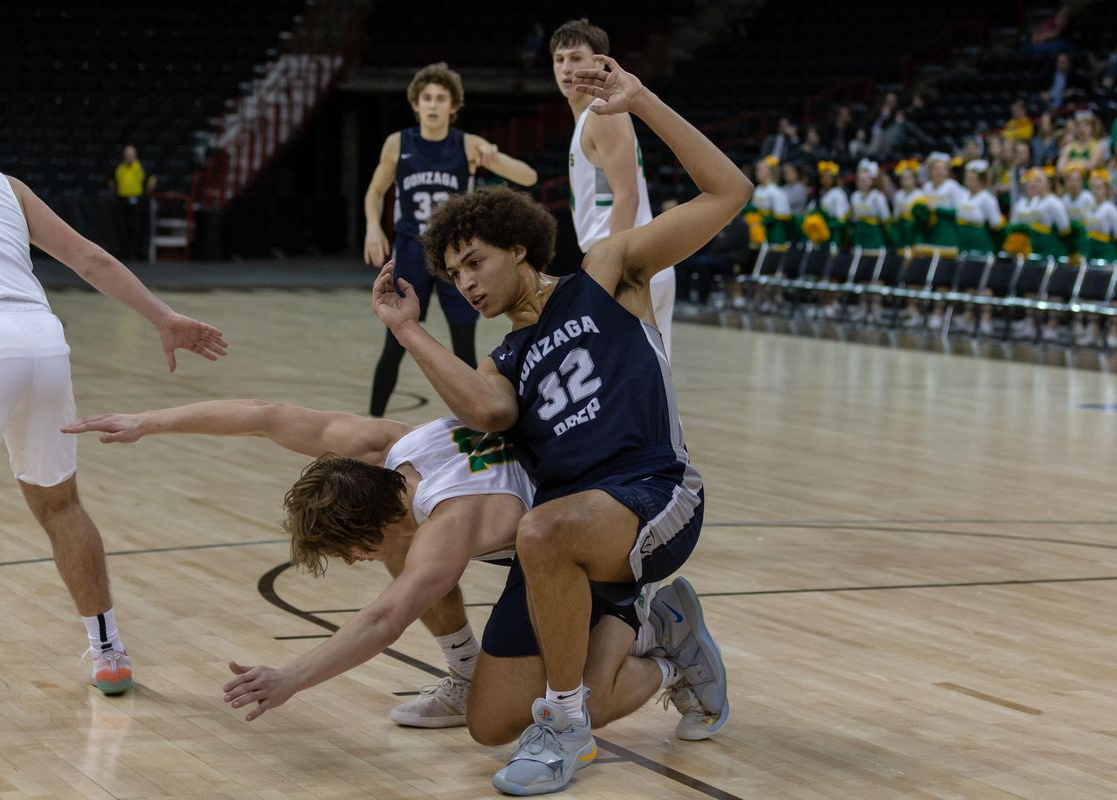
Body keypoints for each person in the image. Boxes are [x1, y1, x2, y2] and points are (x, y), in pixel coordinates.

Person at [373, 55, 748, 795]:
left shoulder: (607, 272)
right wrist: (409, 329)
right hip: (570, 539)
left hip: (655, 497)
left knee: (541, 532)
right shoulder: (500, 358)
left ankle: (567, 728)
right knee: (489, 721)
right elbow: (487, 414)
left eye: (475, 261)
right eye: (455, 276)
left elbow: (729, 190)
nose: (469, 283)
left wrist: (642, 102)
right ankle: (665, 646)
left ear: (518, 246)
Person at [64, 402, 719, 741]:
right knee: (487, 708)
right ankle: (467, 679)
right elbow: (265, 417)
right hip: (550, 530)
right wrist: (147, 422)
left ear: (372, 522)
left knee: (583, 703)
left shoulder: (452, 522)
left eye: (355, 549)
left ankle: (667, 640)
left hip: (609, 538)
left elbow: (384, 618)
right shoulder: (386, 453)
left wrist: (290, 678)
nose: (356, 560)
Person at [0, 71, 228, 732]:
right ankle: (109, 651)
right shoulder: (5, 185)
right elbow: (88, 257)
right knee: (61, 505)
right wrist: (163, 317)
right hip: (41, 338)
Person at [362, 62, 537, 417]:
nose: (432, 104)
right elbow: (374, 192)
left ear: (453, 106)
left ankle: (478, 426)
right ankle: (372, 423)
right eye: (426, 97)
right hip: (411, 250)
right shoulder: (398, 143)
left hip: (454, 257)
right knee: (394, 343)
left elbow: (528, 177)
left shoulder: (468, 144)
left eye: (440, 98)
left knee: (463, 346)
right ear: (416, 104)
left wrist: (494, 156)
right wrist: (372, 226)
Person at [550, 19, 677, 359]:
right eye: (559, 59)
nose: (566, 67)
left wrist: (611, 272)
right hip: (629, 258)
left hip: (629, 261)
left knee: (632, 386)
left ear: (600, 63)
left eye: (576, 58)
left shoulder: (602, 113)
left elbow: (627, 195)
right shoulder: (588, 118)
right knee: (645, 387)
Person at [113, 145, 154, 261]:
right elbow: (112, 181)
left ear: (135, 155)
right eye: (126, 155)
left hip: (137, 200)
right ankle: (124, 252)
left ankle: (137, 252)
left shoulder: (141, 167)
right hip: (122, 200)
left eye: (130, 155)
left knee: (136, 227)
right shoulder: (120, 168)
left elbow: (151, 179)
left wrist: (147, 193)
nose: (128, 157)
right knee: (122, 227)